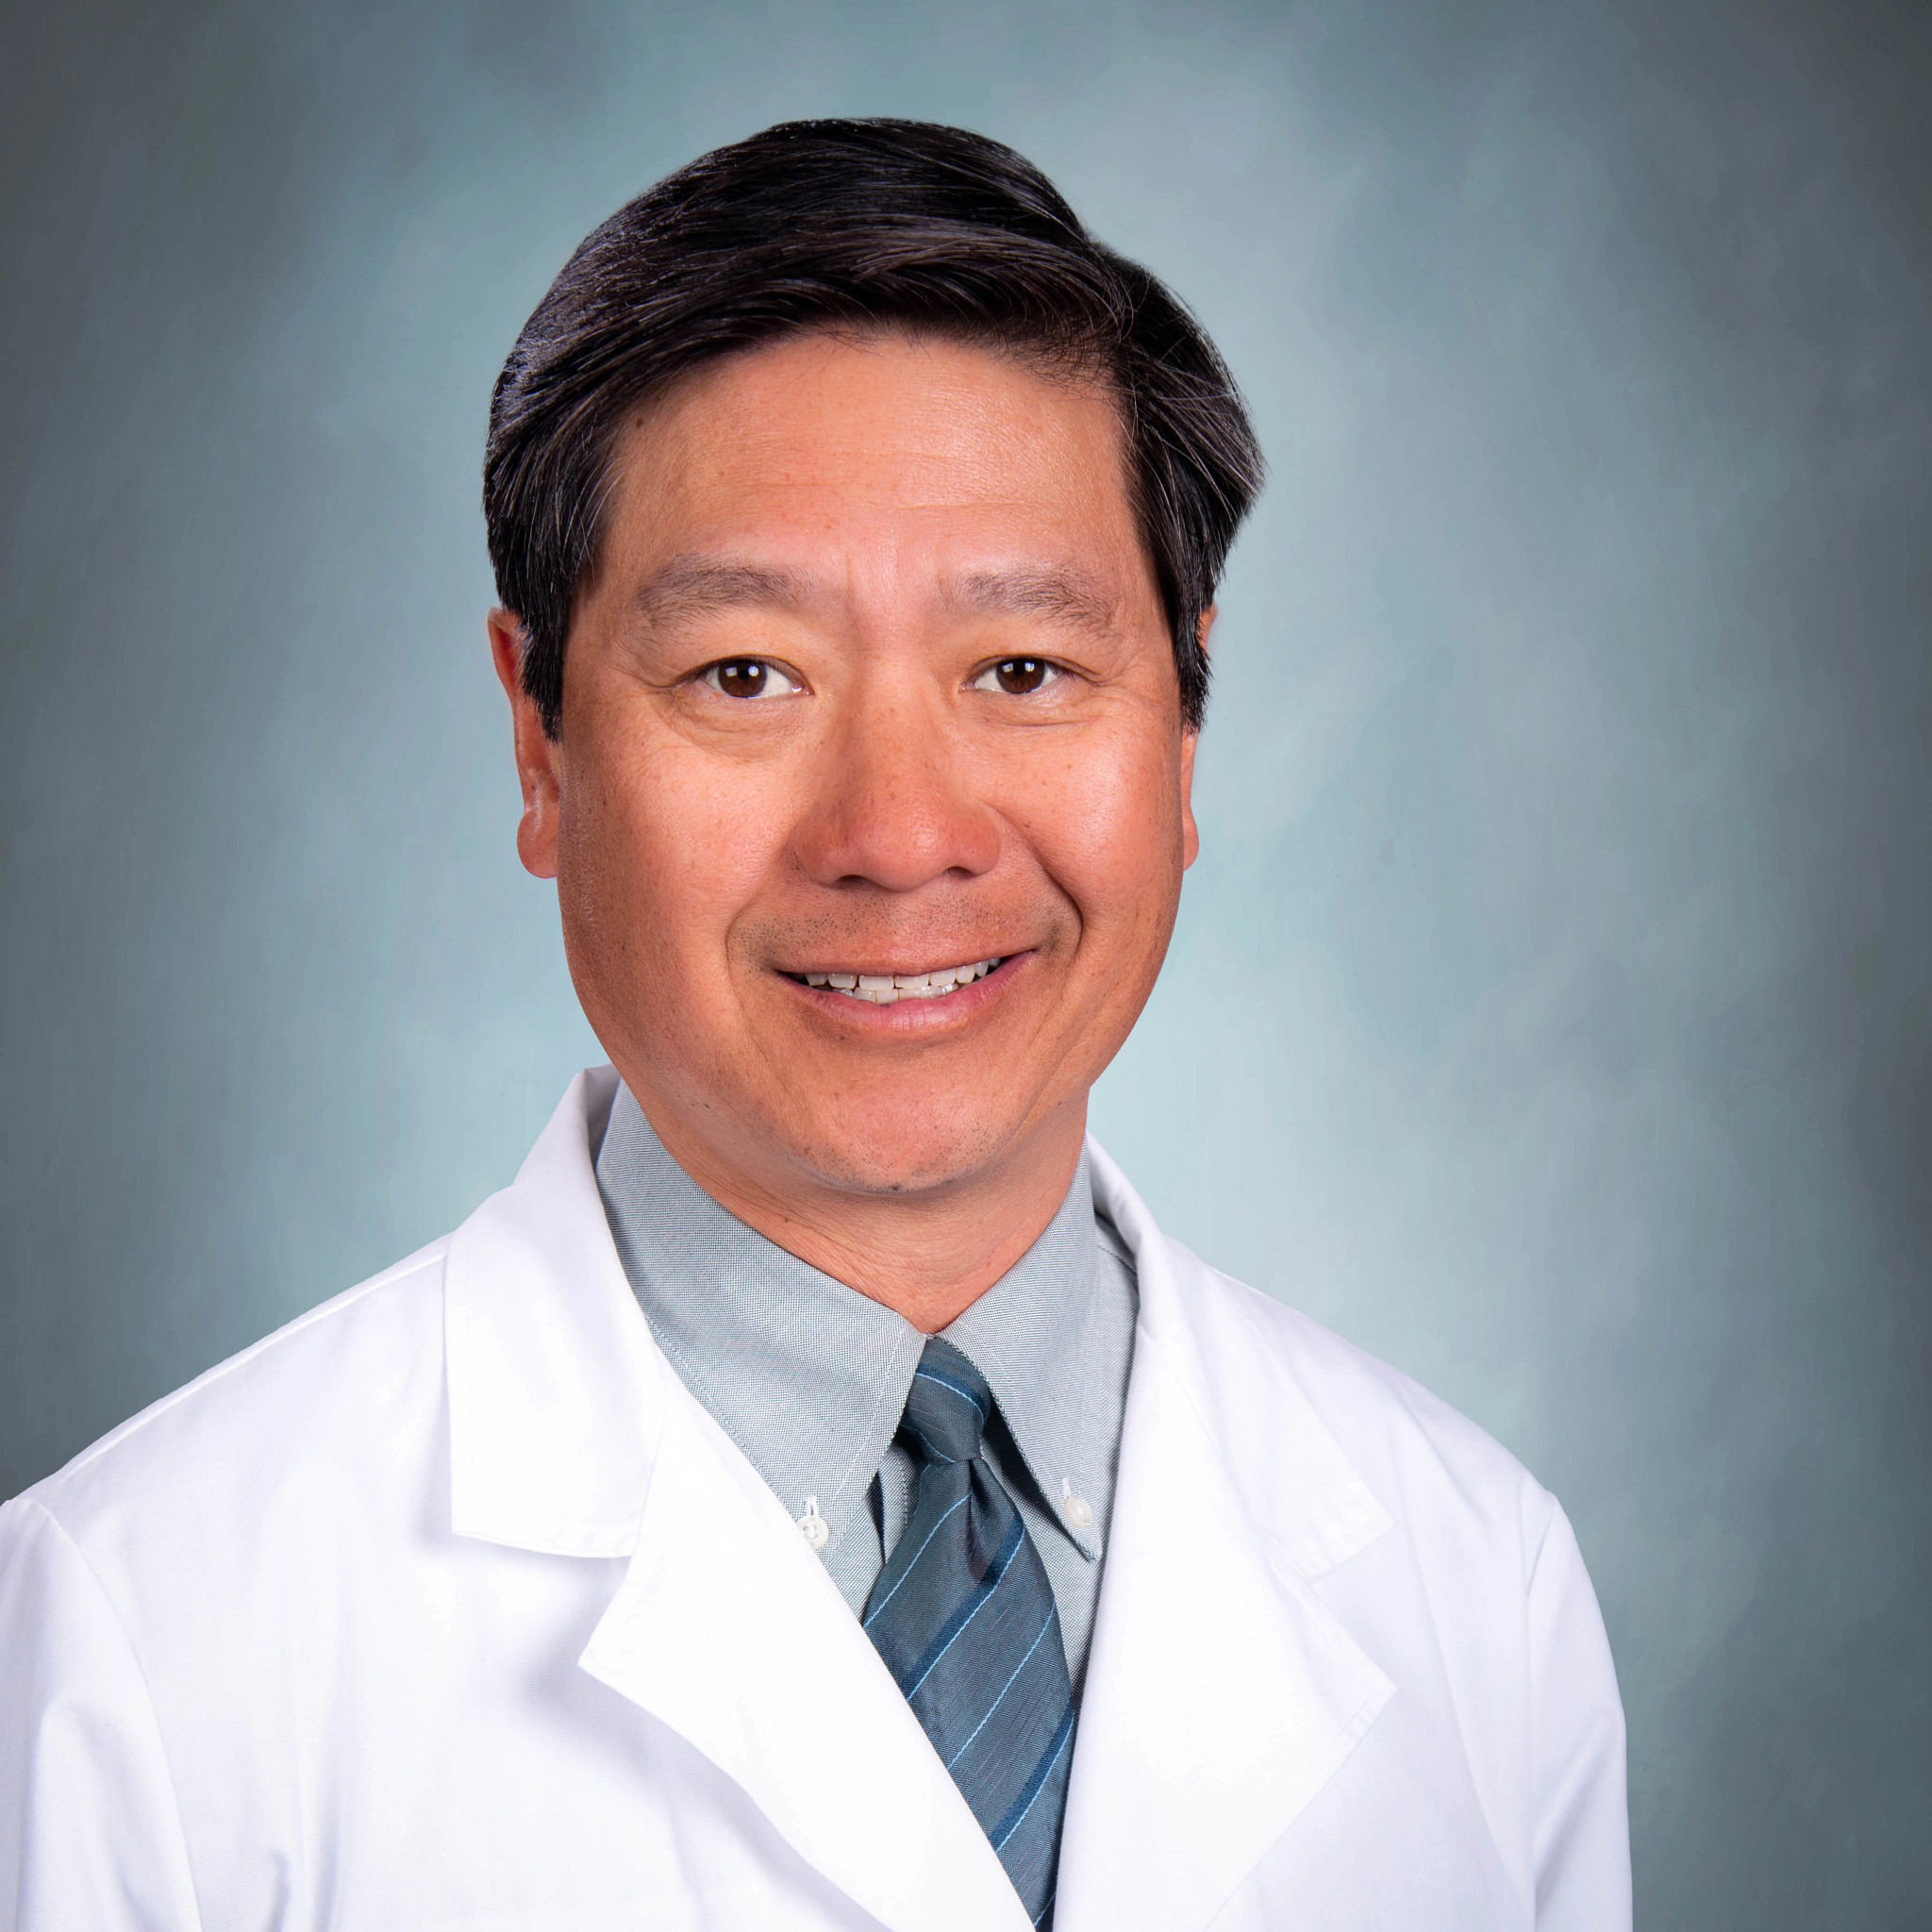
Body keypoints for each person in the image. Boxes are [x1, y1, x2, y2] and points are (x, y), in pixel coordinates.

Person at [0, 120, 1629, 1930]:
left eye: (1025, 670)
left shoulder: (1479, 1586)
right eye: (746, 674)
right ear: (541, 743)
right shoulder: (131, 1651)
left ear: (1184, 731)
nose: (900, 835)